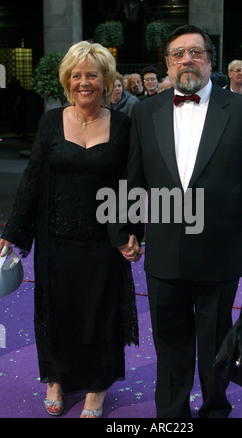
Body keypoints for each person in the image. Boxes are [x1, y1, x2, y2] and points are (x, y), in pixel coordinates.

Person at [108, 25, 242, 418]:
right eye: (177, 54)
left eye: (195, 52)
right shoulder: (147, 110)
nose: (187, 59)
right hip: (165, 256)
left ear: (209, 59)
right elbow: (132, 178)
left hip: (220, 255)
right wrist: (124, 230)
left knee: (217, 345)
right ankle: (171, 419)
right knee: (170, 347)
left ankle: (215, 410)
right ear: (168, 63)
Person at [0, 41, 139, 418]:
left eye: (91, 75)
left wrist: (133, 232)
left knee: (100, 312)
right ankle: (56, 379)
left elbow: (132, 183)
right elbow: (31, 179)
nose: (83, 82)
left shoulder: (125, 125)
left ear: (106, 80)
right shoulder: (50, 122)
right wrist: (12, 231)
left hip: (103, 240)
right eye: (76, 75)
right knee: (56, 312)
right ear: (67, 81)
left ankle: (97, 387)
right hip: (55, 236)